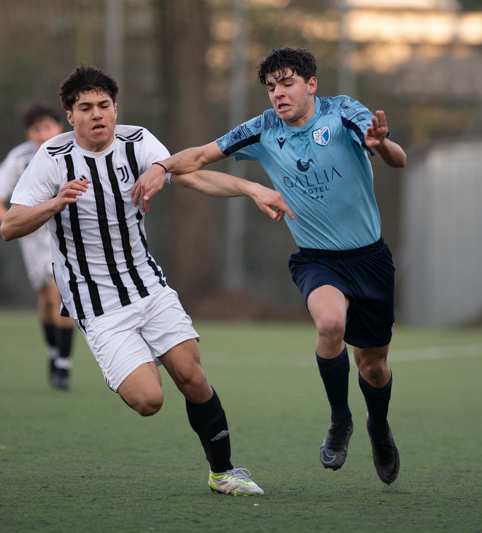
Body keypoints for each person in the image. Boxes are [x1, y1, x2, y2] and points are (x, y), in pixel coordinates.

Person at [0, 65, 292, 495]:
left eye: (104, 105)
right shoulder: (52, 158)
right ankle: (123, 359)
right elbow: (9, 226)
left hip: (148, 286)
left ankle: (224, 472)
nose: (97, 114)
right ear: (70, 115)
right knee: (149, 401)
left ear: (116, 109)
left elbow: (193, 175)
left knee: (192, 377)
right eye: (86, 107)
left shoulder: (137, 142)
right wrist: (54, 203)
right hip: (96, 302)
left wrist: (252, 190)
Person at [132, 47, 407, 485]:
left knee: (373, 366)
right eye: (271, 87)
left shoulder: (343, 113)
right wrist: (162, 166)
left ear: (311, 85)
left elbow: (398, 158)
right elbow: (198, 158)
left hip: (370, 259)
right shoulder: (262, 128)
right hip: (317, 260)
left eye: (287, 83)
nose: (278, 94)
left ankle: (379, 426)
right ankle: (340, 420)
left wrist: (383, 144)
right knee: (330, 324)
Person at [0, 102, 76, 390]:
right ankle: (53, 352)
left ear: (59, 127)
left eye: (48, 127)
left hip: (64, 234)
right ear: (29, 133)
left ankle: (63, 364)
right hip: (33, 238)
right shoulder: (20, 158)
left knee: (61, 293)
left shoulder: (73, 150)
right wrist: (17, 226)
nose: (43, 134)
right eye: (36, 129)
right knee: (46, 298)